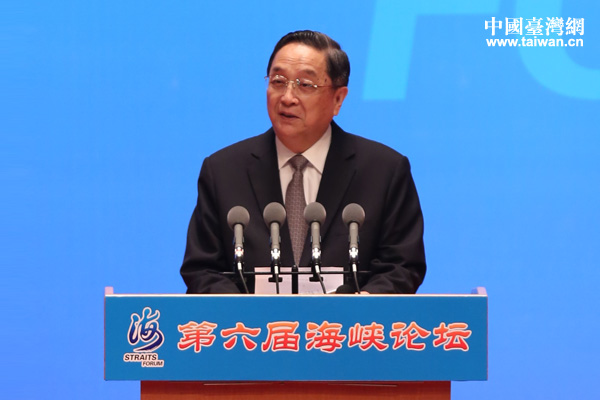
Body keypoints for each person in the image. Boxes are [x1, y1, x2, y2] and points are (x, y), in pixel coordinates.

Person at [181, 30, 426, 294]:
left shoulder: (384, 171)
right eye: (278, 81)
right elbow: (202, 270)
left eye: (305, 85)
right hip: (251, 321)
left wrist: (359, 306)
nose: (287, 97)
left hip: (348, 321)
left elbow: (401, 266)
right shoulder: (223, 171)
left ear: (338, 99)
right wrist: (247, 312)